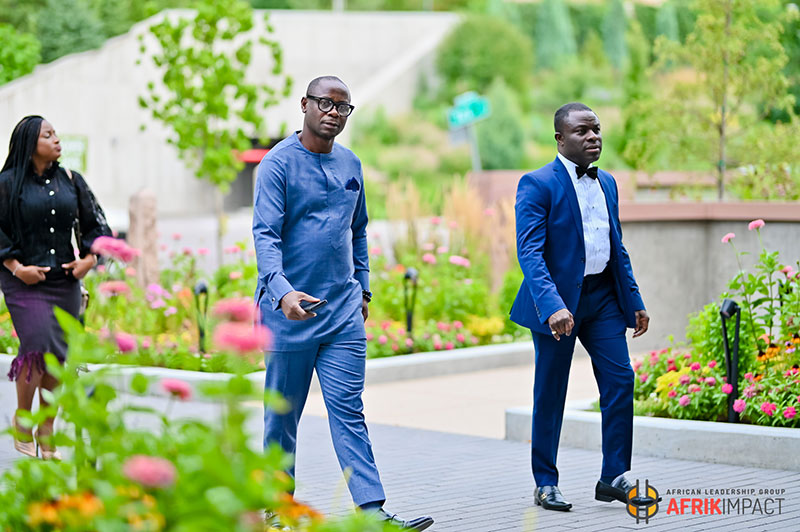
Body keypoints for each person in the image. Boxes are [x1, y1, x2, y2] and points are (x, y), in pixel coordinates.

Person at [252, 76, 433, 531]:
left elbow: (359, 230)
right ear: (305, 105)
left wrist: (364, 288)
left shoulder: (351, 162)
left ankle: (372, 512)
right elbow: (265, 235)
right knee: (282, 418)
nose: (334, 112)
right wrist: (282, 291)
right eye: (325, 103)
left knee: (349, 411)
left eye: (343, 107)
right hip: (289, 314)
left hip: (342, 314)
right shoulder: (276, 165)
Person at [510, 103, 650, 511]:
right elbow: (530, 252)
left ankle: (613, 476)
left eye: (597, 130)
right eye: (582, 131)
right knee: (551, 391)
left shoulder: (607, 182)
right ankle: (545, 482)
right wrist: (552, 304)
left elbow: (616, 246)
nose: (593, 137)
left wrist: (634, 300)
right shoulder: (537, 184)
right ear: (560, 139)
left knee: (621, 380)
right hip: (557, 303)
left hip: (603, 298)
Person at [0, 115, 111, 459]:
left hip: (65, 281)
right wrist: (17, 268)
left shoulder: (71, 180)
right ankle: (24, 418)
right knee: (36, 344)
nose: (56, 140)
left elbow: (97, 225)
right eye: (48, 135)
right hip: (23, 280)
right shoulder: (7, 183)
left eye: (56, 134)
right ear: (29, 143)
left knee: (59, 354)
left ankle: (47, 426)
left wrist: (89, 259)